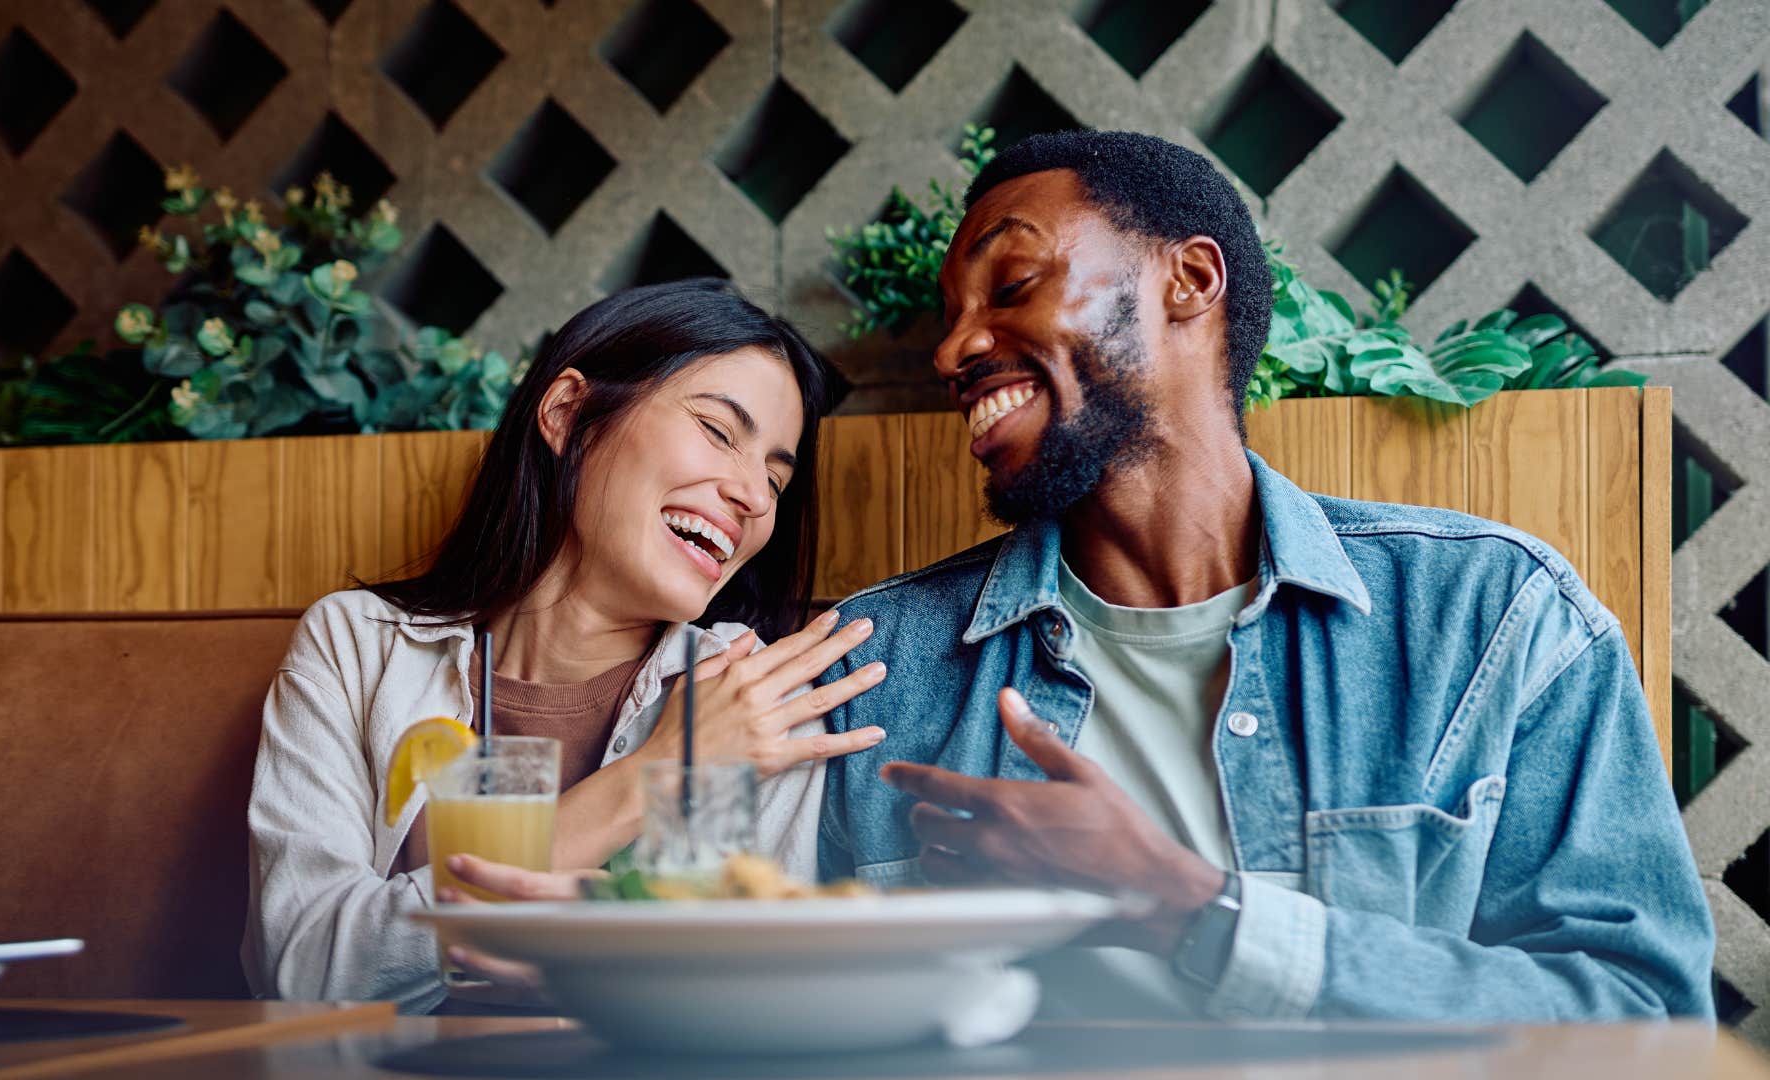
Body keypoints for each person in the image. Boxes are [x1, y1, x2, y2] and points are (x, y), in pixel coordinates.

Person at [813, 130, 1715, 1021]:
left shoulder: (1493, 618)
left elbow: (1644, 1015)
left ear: (1190, 280)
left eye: (1012, 286)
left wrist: (1191, 912)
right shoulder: (873, 670)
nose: (952, 352)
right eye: (951, 318)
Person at [242, 279, 888, 1012]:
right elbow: (301, 970)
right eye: (717, 430)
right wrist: (653, 776)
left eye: (775, 477)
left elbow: (752, 996)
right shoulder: (358, 647)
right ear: (568, 413)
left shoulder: (752, 692)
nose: (755, 497)